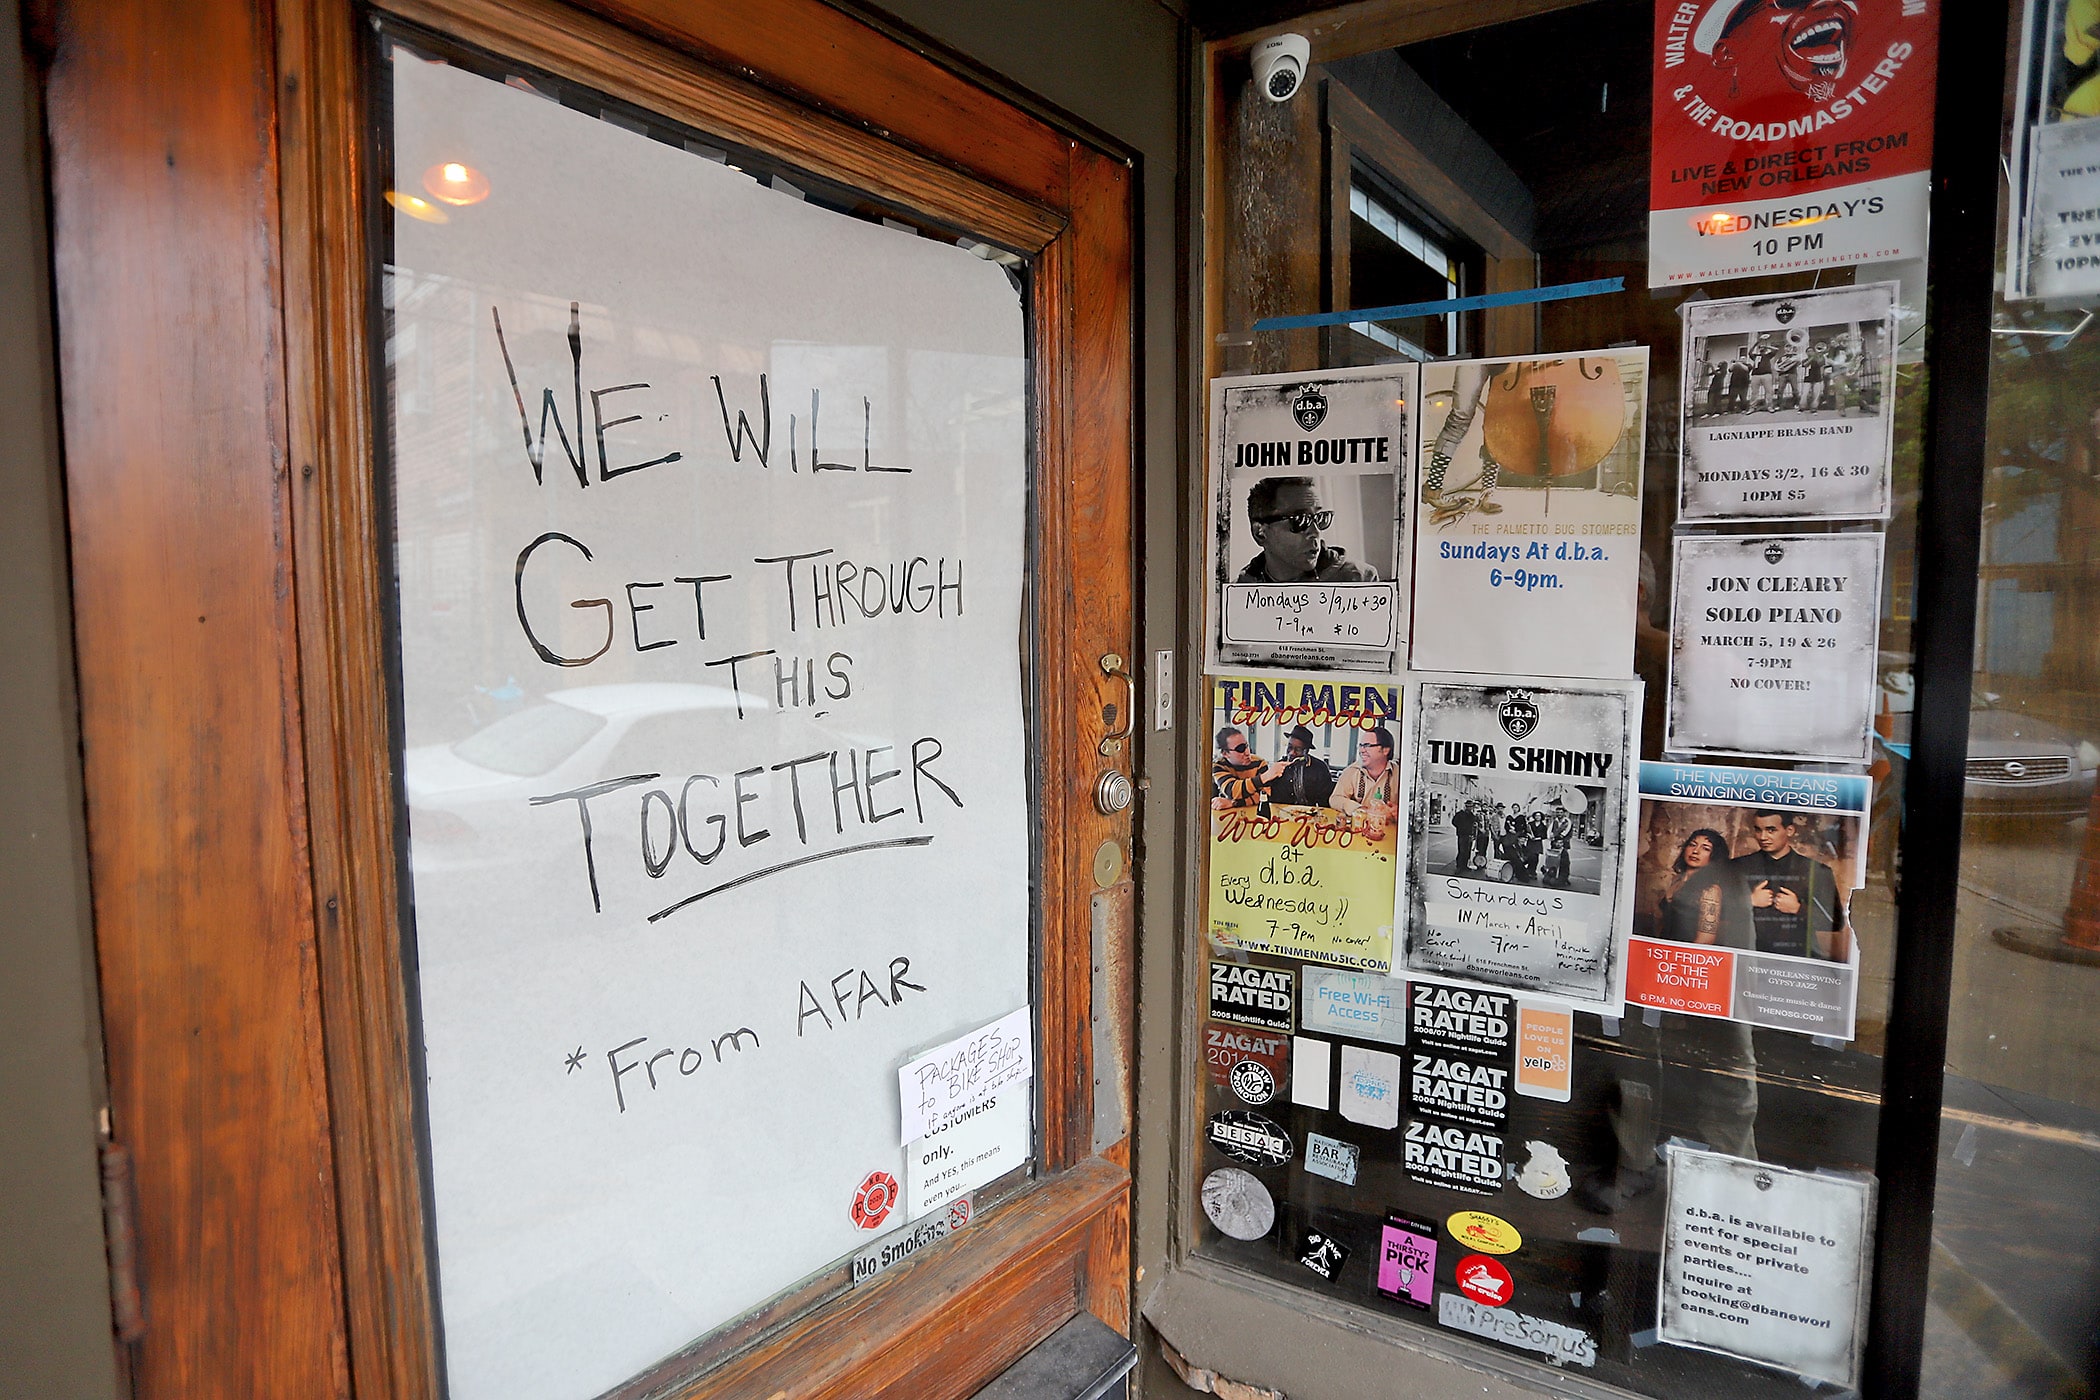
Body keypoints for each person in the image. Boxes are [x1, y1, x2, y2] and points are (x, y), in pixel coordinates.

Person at [1730, 810, 1847, 959]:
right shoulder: (1738, 866)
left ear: (1789, 830)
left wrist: (1798, 909)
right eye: (1758, 830)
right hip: (1746, 956)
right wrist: (1748, 901)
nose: (1763, 837)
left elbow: (1836, 922)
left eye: (1771, 830)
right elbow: (1711, 912)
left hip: (1796, 959)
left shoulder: (1815, 871)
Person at [1235, 477, 1377, 583]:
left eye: (1319, 518)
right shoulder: (1239, 591)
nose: (1315, 533)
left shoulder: (1360, 579)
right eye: (1299, 520)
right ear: (1260, 533)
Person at [1657, 828, 1754, 948]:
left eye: (1706, 848)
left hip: (1686, 954)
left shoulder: (1710, 890)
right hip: (1665, 950)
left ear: (1714, 857)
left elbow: (1706, 939)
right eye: (1692, 845)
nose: (1696, 851)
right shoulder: (1676, 880)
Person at [1331, 726, 1398, 832]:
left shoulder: (1399, 774)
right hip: (1358, 832)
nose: (1361, 750)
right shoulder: (1352, 771)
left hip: (1389, 837)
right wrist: (1359, 809)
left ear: (1385, 750)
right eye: (1361, 745)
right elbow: (1335, 799)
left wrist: (1399, 811)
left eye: (1367, 746)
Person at [1266, 724, 1334, 807]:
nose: (1292, 753)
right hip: (1282, 813)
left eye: (1298, 750)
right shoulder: (1279, 767)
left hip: (1308, 815)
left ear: (1307, 751)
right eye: (1290, 747)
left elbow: (1325, 800)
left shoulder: (1320, 769)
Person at [1211, 726, 1278, 811]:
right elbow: (1233, 791)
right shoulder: (1219, 766)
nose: (1247, 752)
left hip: (1254, 813)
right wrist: (1264, 777)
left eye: (1246, 746)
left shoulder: (1259, 763)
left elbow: (1265, 795)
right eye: (1240, 749)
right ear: (1225, 754)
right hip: (1227, 815)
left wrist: (1233, 803)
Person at [1451, 799, 1478, 876]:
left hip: (1469, 835)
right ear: (1465, 806)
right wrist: (1460, 828)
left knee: (1467, 851)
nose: (1469, 808)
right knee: (1462, 851)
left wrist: (1473, 834)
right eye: (1468, 806)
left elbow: (1474, 824)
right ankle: (1459, 866)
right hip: (1462, 835)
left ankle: (1465, 866)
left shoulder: (1472, 815)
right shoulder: (1459, 814)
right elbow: (1454, 822)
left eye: (1471, 807)